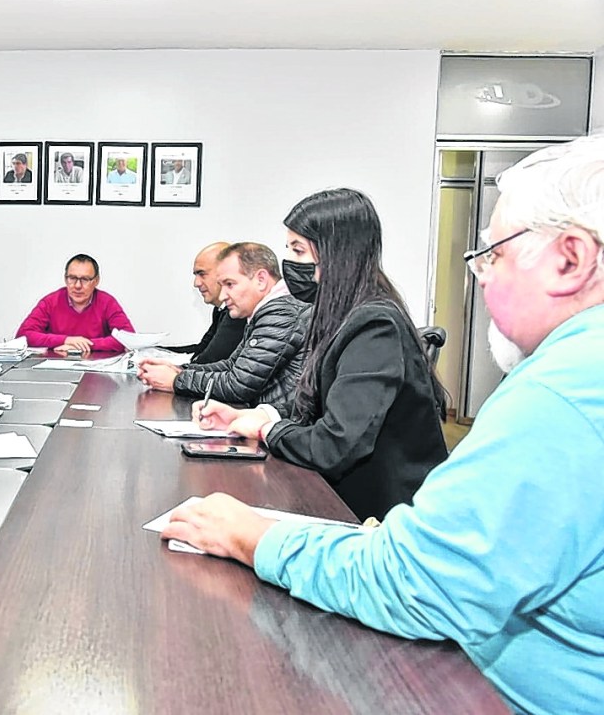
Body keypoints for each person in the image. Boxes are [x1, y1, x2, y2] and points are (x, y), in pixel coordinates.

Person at [162, 136, 604, 715]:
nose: (483, 277)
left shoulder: (562, 391)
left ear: (570, 259)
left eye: (493, 255)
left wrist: (251, 536)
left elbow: (417, 584)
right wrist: (270, 420)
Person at [191, 189, 448, 520]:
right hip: (347, 498)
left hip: (383, 516)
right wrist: (260, 415)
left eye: (298, 250)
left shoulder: (375, 326)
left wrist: (267, 431)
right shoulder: (338, 314)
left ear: (336, 252)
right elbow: (319, 404)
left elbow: (335, 444)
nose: (289, 262)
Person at [139, 243, 309, 412]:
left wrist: (176, 381)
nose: (222, 296)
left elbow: (238, 384)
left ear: (261, 280)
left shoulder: (280, 314)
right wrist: (180, 370)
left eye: (230, 284)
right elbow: (231, 366)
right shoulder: (268, 312)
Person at [16, 254, 135, 355]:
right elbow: (23, 336)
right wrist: (66, 340)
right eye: (72, 278)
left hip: (96, 369)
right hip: (56, 368)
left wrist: (83, 345)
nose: (77, 285)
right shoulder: (50, 302)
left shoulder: (107, 302)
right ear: (65, 279)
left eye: (85, 279)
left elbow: (129, 338)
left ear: (96, 281)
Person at [162, 242, 247, 364]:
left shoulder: (238, 313)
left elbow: (211, 358)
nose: (196, 283)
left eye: (202, 274)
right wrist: (155, 351)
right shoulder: (220, 309)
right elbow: (202, 348)